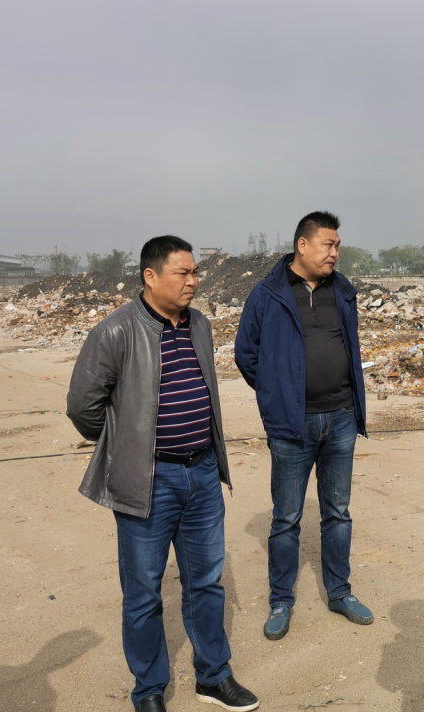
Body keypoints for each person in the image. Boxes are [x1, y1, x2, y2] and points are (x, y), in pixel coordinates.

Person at [67, 236, 258, 712]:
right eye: (183, 273)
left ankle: (213, 677)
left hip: (202, 474)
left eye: (196, 273)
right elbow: (83, 407)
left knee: (206, 583)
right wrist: (128, 445)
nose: (194, 281)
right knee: (143, 593)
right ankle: (149, 688)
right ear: (150, 277)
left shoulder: (200, 325)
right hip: (149, 480)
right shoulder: (115, 332)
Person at [234, 211, 371, 642]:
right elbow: (245, 354)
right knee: (287, 517)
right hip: (292, 426)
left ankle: (340, 592)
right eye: (329, 244)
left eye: (337, 246)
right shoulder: (268, 294)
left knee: (338, 513)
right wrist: (278, 394)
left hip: (341, 418)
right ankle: (281, 600)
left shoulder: (342, 291)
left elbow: (349, 345)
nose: (335, 253)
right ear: (303, 245)